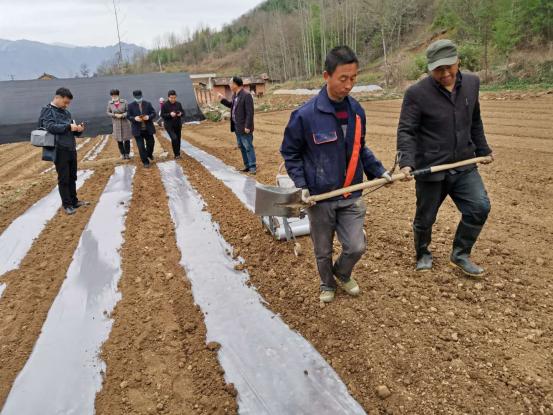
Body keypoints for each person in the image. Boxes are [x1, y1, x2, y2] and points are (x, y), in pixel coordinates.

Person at [281, 46, 392, 303]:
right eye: (344, 78)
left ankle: (341, 272)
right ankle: (326, 283)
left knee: (356, 246)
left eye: (354, 78)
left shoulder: (356, 112)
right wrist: (302, 186)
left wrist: (380, 171)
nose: (349, 85)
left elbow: (359, 148)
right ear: (326, 76)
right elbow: (291, 153)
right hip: (320, 198)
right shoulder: (305, 116)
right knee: (322, 250)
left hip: (351, 193)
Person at [397, 39, 493, 277]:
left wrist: (482, 149)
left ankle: (460, 254)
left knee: (479, 207)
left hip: (463, 163)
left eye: (449, 66)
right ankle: (423, 253)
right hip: (431, 167)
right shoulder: (416, 94)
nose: (446, 73)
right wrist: (407, 162)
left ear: (458, 61)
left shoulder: (472, 83)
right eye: (439, 69)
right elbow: (406, 130)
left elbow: (475, 119)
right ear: (430, 68)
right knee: (425, 218)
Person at [38, 87, 89, 215]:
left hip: (71, 148)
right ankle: (67, 204)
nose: (66, 105)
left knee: (72, 176)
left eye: (68, 103)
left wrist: (78, 129)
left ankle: (74, 201)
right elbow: (50, 127)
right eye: (65, 102)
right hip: (59, 149)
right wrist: (68, 126)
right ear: (57, 97)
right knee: (64, 178)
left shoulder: (66, 112)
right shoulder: (47, 110)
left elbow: (71, 130)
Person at [218, 77, 257, 174]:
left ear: (235, 84)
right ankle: (247, 165)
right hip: (237, 127)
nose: (229, 85)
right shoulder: (235, 95)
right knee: (242, 147)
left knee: (248, 146)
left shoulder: (246, 95)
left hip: (244, 127)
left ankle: (252, 166)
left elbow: (250, 112)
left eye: (230, 83)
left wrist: (248, 126)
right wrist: (223, 99)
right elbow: (233, 106)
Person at [127, 90, 156, 168]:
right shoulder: (130, 106)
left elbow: (154, 113)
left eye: (139, 97)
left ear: (141, 95)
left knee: (151, 143)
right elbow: (128, 116)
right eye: (137, 97)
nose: (138, 98)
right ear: (134, 97)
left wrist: (148, 117)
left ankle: (149, 154)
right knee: (141, 147)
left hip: (148, 128)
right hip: (137, 130)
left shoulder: (148, 104)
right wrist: (134, 118)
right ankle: (145, 162)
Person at [106, 89, 132, 160]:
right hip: (116, 123)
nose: (114, 96)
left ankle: (127, 154)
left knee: (127, 140)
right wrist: (114, 115)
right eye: (112, 95)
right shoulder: (110, 103)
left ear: (118, 95)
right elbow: (108, 112)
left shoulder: (124, 102)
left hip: (125, 123)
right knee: (119, 140)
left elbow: (128, 111)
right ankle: (122, 154)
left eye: (115, 95)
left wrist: (123, 115)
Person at [161, 90, 185, 159]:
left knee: (178, 139)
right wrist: (170, 114)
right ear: (168, 97)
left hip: (177, 124)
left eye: (174, 97)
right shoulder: (165, 105)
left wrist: (181, 114)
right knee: (174, 138)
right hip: (169, 125)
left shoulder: (178, 104)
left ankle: (177, 153)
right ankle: (176, 154)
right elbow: (162, 115)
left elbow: (183, 112)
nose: (173, 99)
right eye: (171, 98)